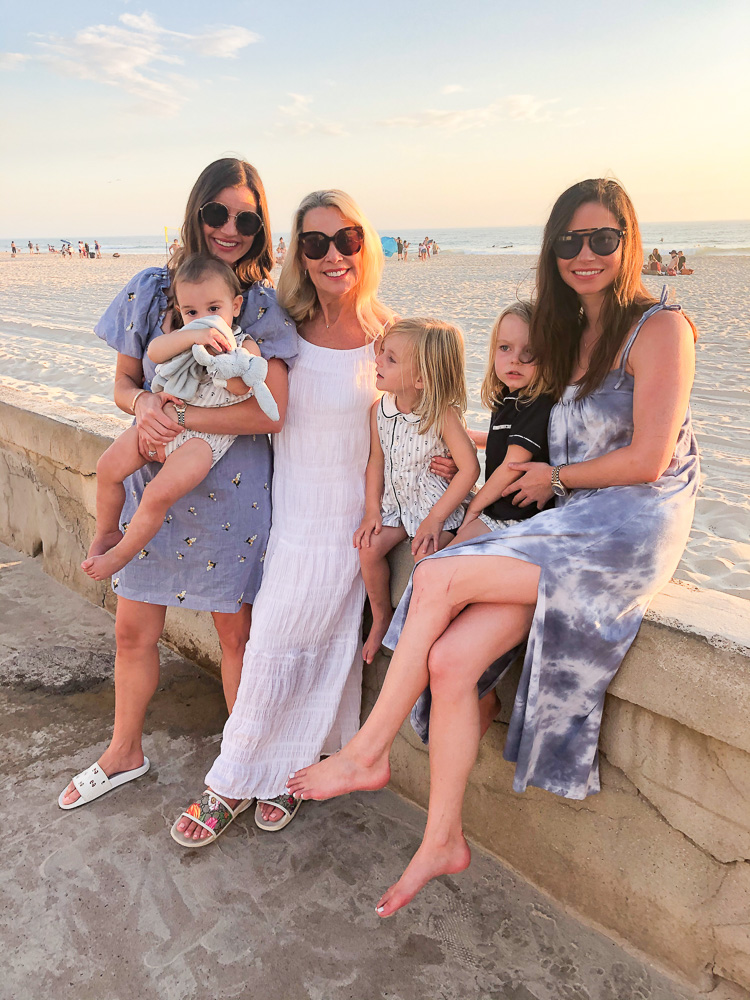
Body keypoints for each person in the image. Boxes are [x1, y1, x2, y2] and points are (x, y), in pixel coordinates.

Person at [287, 178, 699, 917]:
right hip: (561, 523)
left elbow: (647, 458)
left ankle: (367, 750)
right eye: (569, 240)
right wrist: (475, 444)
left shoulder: (660, 328)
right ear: (552, 249)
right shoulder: (568, 336)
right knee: (450, 660)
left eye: (603, 238)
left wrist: (553, 474)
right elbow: (538, 427)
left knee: (440, 577)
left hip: (626, 528)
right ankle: (443, 837)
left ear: (628, 243)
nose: (585, 253)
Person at [58, 158, 297, 811]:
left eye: (246, 217)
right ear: (196, 212)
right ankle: (123, 752)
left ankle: (243, 766)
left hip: (234, 484)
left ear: (260, 225)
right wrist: (144, 409)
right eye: (216, 212)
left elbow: (268, 409)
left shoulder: (264, 306)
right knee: (133, 631)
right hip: (158, 473)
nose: (229, 227)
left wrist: (185, 415)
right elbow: (124, 386)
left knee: (235, 636)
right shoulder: (150, 289)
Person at [171, 187, 402, 845]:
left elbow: (410, 423)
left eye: (346, 239)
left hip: (351, 523)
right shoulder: (283, 327)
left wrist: (435, 476)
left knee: (326, 651)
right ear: (299, 254)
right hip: (290, 514)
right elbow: (236, 392)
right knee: (273, 638)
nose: (333, 255)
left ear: (366, 244)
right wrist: (162, 412)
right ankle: (236, 778)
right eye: (315, 242)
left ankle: (279, 773)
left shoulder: (390, 334)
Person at [81, 254, 272, 582]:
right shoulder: (183, 341)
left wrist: (224, 359)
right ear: (180, 311)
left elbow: (243, 386)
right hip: (160, 424)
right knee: (108, 468)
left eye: (214, 309)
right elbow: (154, 352)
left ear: (235, 306)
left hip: (201, 443)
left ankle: (120, 555)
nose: (203, 319)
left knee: (157, 494)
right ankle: (107, 531)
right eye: (191, 312)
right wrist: (191, 336)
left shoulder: (244, 344)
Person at [356, 317, 479, 663]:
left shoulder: (442, 415)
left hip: (434, 510)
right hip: (397, 506)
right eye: (382, 353)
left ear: (422, 378)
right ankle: (381, 617)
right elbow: (376, 462)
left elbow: (470, 468)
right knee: (367, 549)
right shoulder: (379, 410)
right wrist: (372, 511)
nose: (377, 361)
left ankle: (422, 637)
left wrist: (436, 519)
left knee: (427, 561)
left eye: (390, 359)